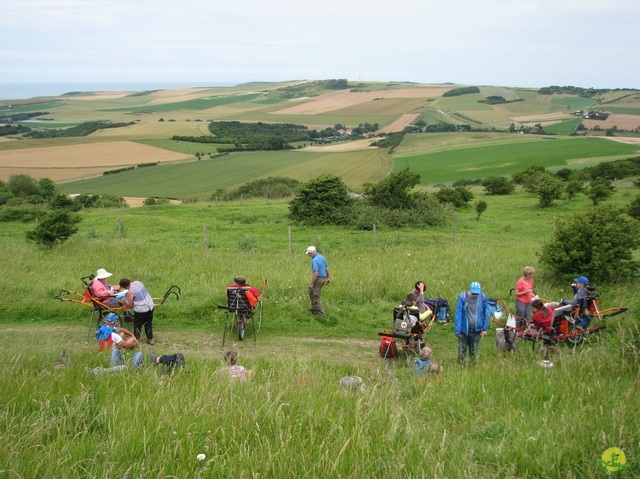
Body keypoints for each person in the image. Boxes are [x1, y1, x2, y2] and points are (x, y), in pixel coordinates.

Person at [454, 281, 491, 364]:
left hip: (476, 329)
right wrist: (457, 330)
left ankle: (473, 366)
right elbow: (458, 314)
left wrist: (485, 329)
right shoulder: (462, 297)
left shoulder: (483, 297)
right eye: (473, 293)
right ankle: (460, 367)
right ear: (470, 290)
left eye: (476, 294)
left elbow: (486, 313)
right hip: (464, 330)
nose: (475, 295)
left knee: (474, 351)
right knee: (462, 351)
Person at [119, 278, 155, 345]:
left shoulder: (130, 291)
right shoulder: (138, 282)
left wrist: (124, 300)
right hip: (150, 305)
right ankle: (150, 339)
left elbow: (130, 304)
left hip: (141, 309)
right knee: (148, 323)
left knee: (137, 325)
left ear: (125, 286)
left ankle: (136, 340)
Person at [306, 246, 330, 316]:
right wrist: (328, 278)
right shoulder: (322, 257)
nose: (309, 255)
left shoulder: (315, 260)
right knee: (310, 292)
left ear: (312, 252)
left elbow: (316, 273)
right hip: (324, 278)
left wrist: (312, 283)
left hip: (318, 279)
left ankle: (322, 314)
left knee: (316, 295)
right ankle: (314, 308)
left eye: (309, 254)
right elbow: (327, 268)